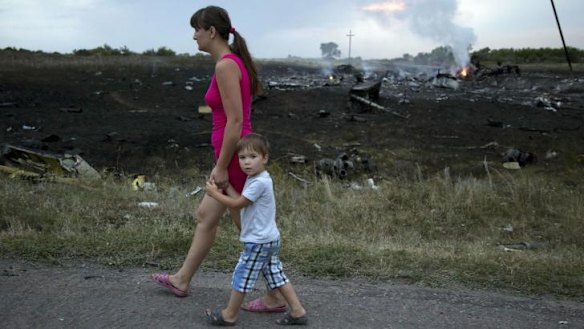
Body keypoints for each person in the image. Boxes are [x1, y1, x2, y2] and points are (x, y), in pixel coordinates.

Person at [151, 5, 286, 312]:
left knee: (252, 234)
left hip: (233, 160)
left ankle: (278, 296)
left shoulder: (226, 65)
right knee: (206, 216)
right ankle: (182, 279)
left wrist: (222, 166)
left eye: (196, 29)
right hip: (229, 157)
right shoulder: (232, 62)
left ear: (211, 31)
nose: (194, 36)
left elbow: (235, 122)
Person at [204, 133, 308, 326]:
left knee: (242, 275)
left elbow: (238, 204)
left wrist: (214, 194)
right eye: (242, 158)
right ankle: (297, 311)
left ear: (265, 158)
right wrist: (225, 187)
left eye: (253, 157)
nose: (247, 162)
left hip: (258, 241)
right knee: (275, 274)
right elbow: (242, 200)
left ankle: (229, 315)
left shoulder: (259, 182)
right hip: (268, 238)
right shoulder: (258, 178)